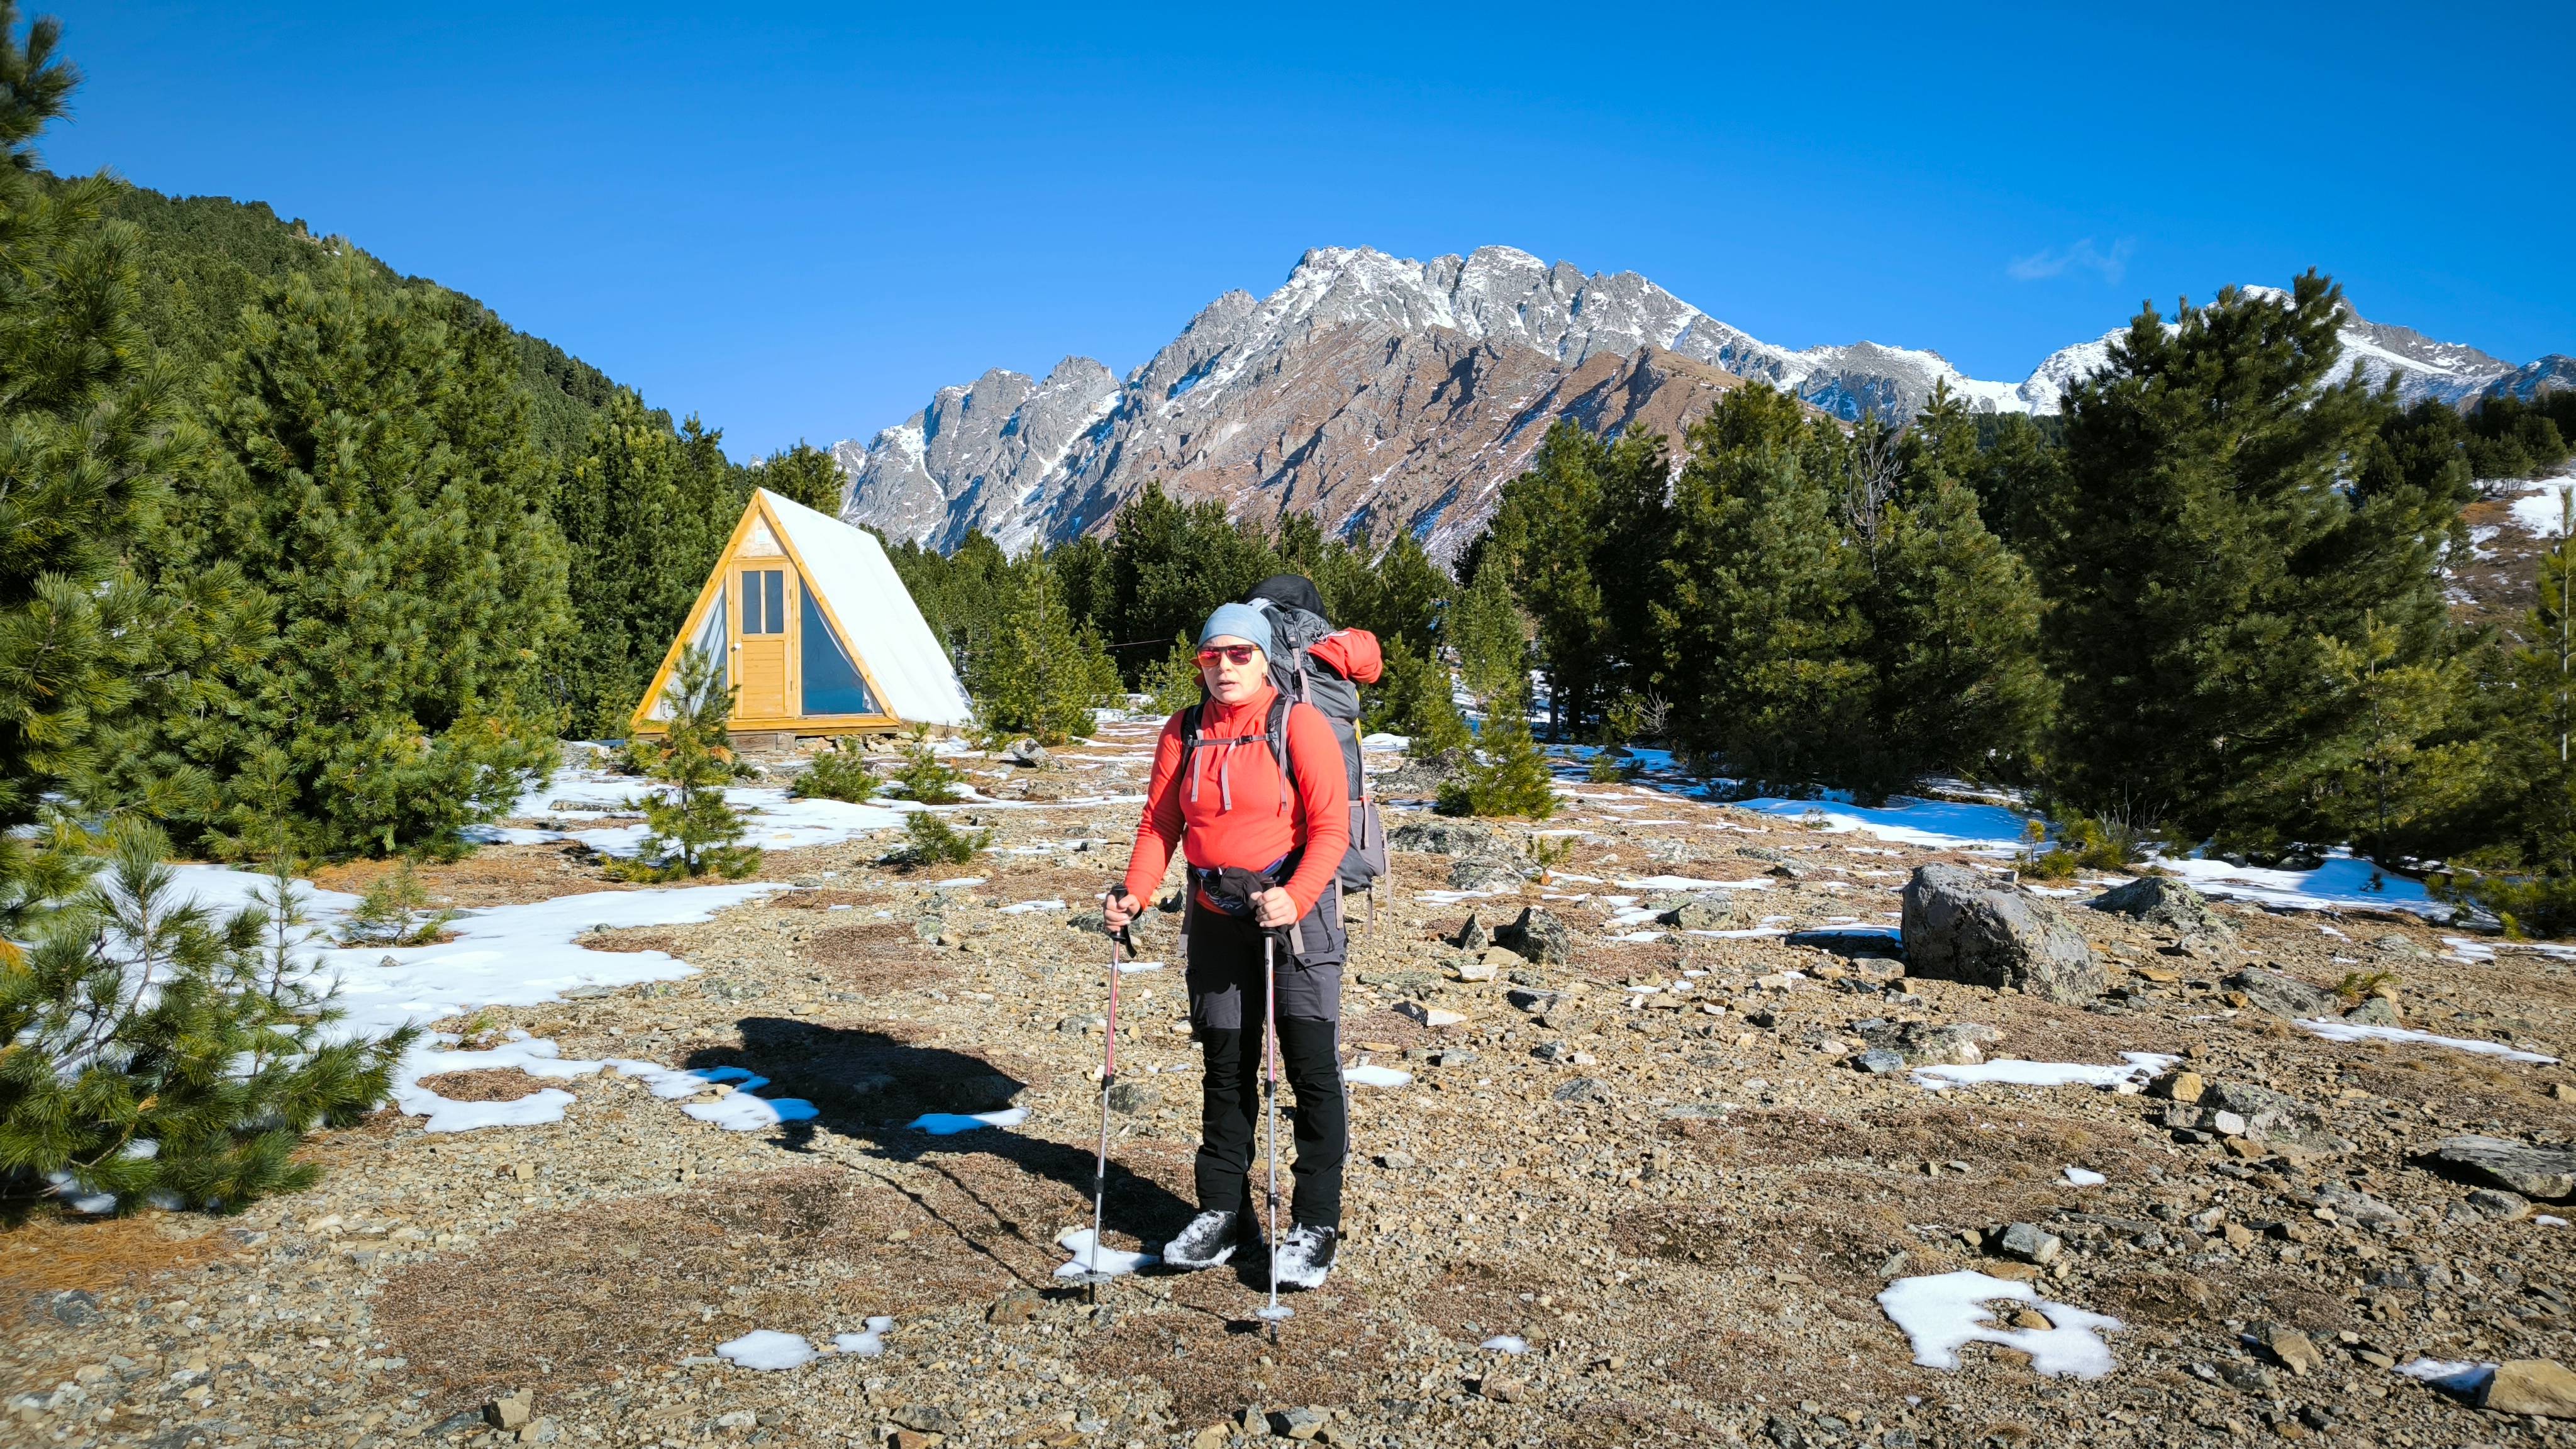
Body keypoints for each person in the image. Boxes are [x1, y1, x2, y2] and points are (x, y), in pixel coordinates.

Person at [1102, 601, 1352, 1289]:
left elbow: (1331, 829)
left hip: (1294, 916)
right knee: (1226, 1065)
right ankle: (1221, 1213)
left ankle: (1314, 1225)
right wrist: (1135, 892)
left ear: (1266, 658)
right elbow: (1160, 826)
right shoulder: (1182, 731)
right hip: (1214, 916)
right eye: (1211, 656)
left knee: (1308, 1065)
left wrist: (1293, 897)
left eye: (1239, 654)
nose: (1223, 667)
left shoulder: (1299, 724)